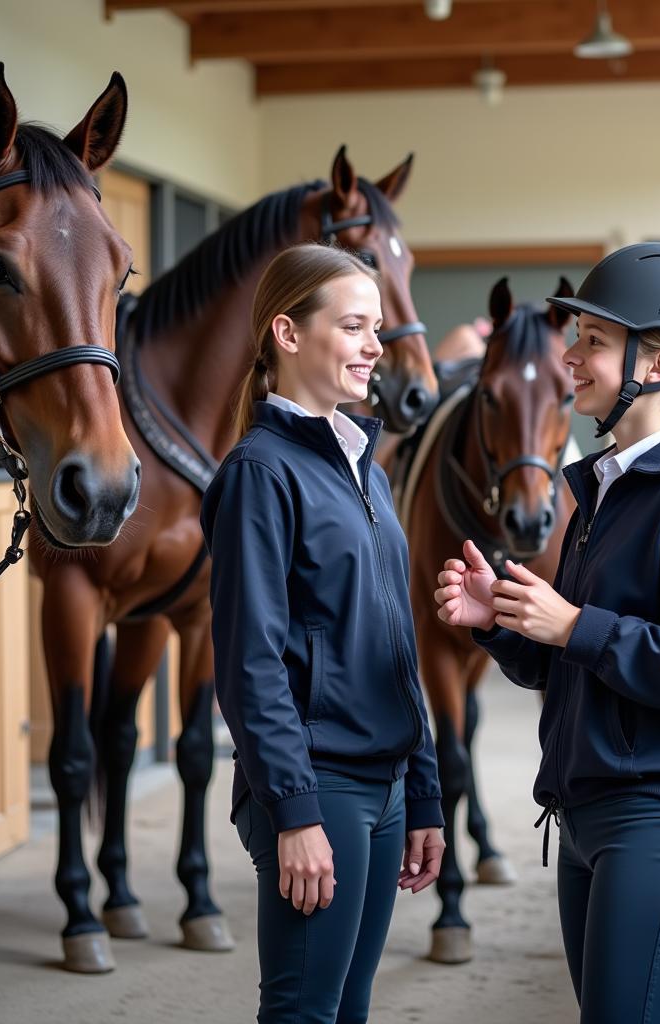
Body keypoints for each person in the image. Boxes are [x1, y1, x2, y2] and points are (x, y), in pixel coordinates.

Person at [434, 243, 660, 1024]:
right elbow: (578, 666)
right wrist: (507, 625)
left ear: (656, 364)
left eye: (591, 340)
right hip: (588, 815)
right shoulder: (607, 493)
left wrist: (577, 623)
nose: (571, 356)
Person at [201, 243, 445, 1024]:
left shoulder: (365, 467)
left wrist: (427, 789)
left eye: (377, 327)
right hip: (321, 784)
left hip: (386, 782)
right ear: (288, 332)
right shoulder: (259, 473)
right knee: (305, 1010)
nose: (378, 346)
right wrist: (296, 812)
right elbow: (250, 663)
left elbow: (398, 645)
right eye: (355, 327)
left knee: (349, 1008)